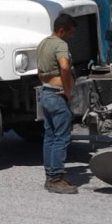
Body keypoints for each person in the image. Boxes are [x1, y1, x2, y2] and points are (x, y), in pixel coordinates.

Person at [37, 13, 78, 194]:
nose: (72, 36)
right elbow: (64, 66)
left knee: (50, 136)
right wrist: (68, 90)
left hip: (45, 92)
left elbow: (39, 71)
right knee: (61, 137)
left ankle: (50, 176)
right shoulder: (61, 44)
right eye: (70, 33)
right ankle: (56, 179)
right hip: (57, 95)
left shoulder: (43, 43)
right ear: (61, 30)